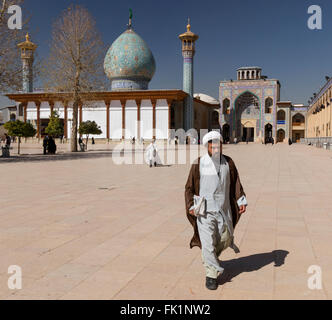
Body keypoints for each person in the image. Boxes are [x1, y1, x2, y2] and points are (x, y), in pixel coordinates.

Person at [185, 131, 248, 291]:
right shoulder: (198, 163)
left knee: (225, 237)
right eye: (212, 146)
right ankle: (211, 274)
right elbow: (189, 187)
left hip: (223, 209)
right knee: (207, 243)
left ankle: (211, 257)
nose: (215, 149)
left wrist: (241, 199)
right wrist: (191, 205)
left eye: (218, 146)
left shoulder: (229, 163)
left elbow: (235, 183)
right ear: (207, 147)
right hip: (204, 211)